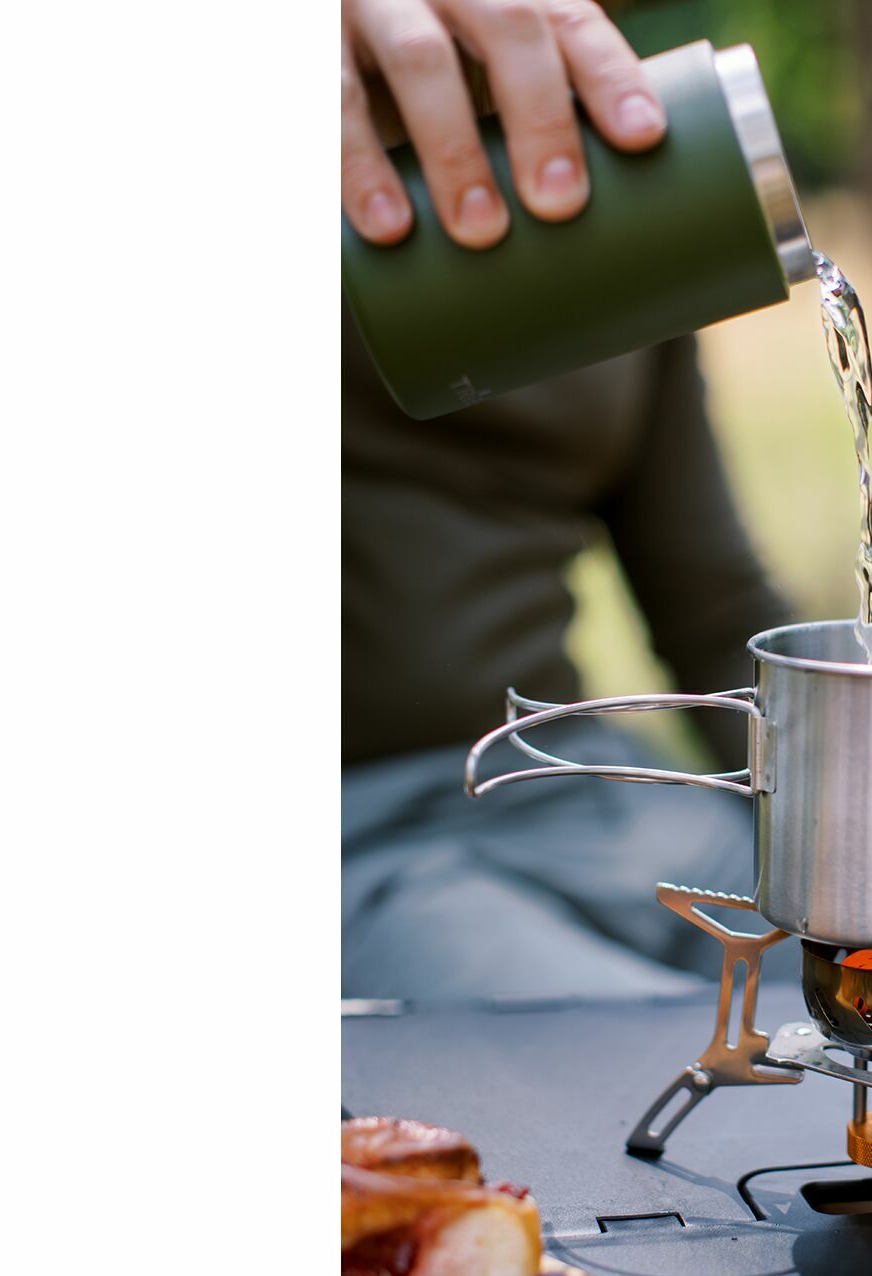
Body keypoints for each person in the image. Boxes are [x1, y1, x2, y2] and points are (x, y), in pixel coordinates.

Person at [339, 0, 796, 1004]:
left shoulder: (606, 184)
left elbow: (712, 606)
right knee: (652, 1052)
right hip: (359, 835)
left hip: (575, 787)